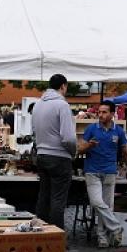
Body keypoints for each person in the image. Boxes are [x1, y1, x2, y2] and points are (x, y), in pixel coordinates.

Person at [79, 100, 127, 248]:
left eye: (104, 112)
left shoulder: (119, 131)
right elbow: (80, 149)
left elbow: (126, 154)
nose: (101, 115)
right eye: (99, 112)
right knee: (96, 202)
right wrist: (89, 146)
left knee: (107, 206)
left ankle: (102, 238)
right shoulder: (91, 128)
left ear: (112, 114)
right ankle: (117, 228)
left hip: (110, 171)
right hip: (92, 171)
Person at [32, 74, 77, 229]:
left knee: (43, 198)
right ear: (63, 86)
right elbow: (68, 138)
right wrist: (73, 152)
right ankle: (57, 240)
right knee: (58, 200)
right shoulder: (62, 105)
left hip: (41, 155)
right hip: (59, 156)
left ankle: (40, 234)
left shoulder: (38, 104)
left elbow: (34, 132)